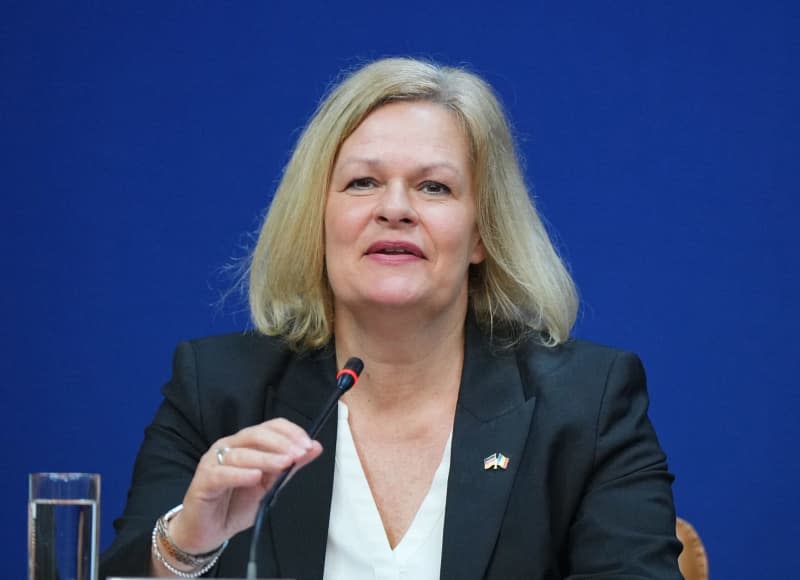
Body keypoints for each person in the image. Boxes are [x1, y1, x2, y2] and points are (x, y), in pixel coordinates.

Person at [100, 57, 682, 579]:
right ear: (318, 219)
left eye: (434, 186)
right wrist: (186, 546)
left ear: (481, 233)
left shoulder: (587, 405)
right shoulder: (220, 390)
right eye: (363, 183)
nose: (395, 209)